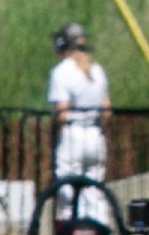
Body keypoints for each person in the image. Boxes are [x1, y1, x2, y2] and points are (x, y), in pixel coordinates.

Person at [46, 22, 109, 185]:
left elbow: (62, 114)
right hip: (95, 135)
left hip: (72, 134)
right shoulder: (97, 70)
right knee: (94, 191)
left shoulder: (61, 71)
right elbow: (106, 111)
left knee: (66, 189)